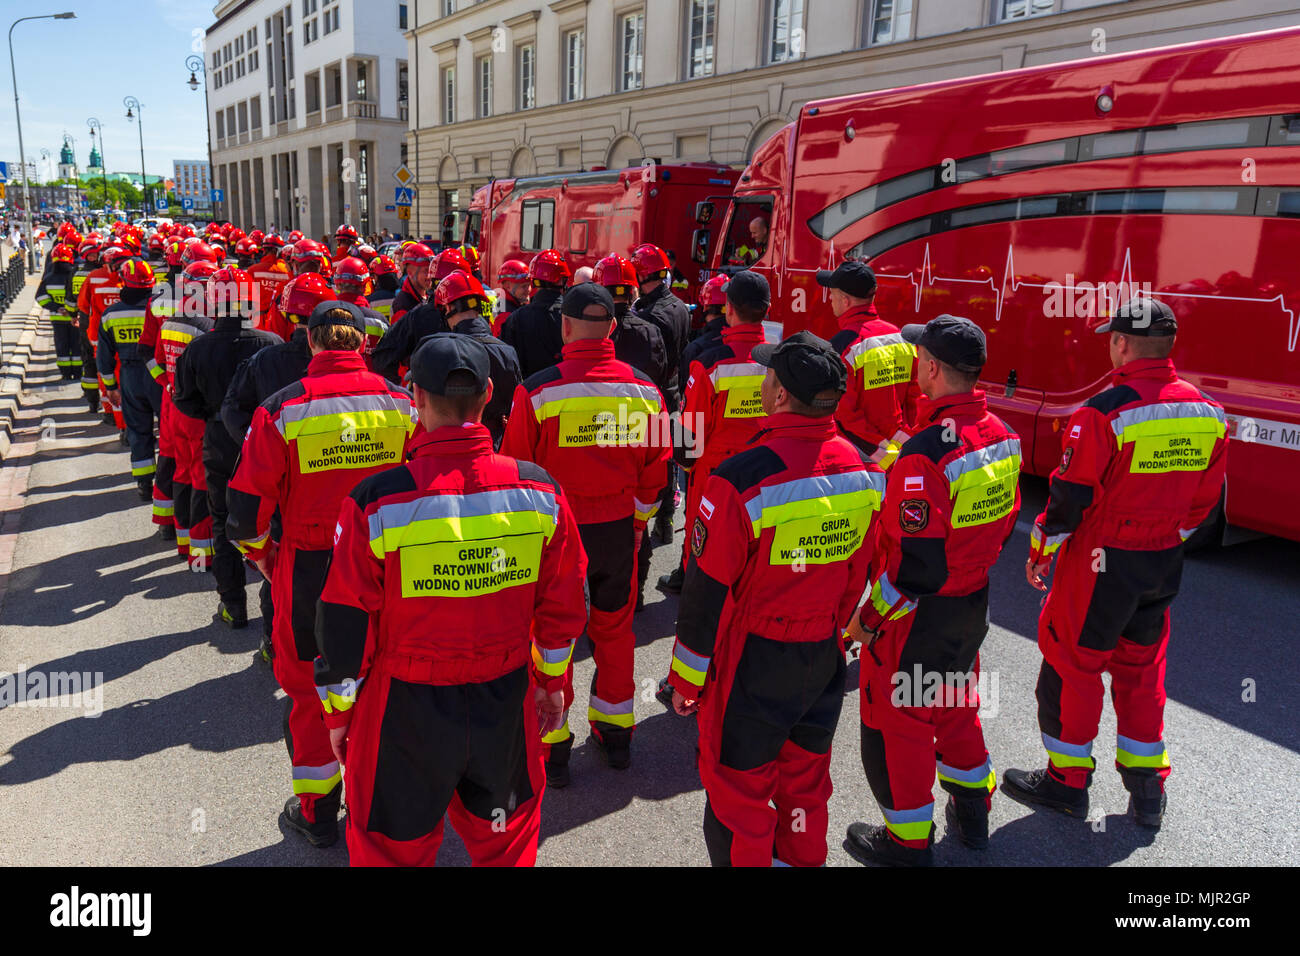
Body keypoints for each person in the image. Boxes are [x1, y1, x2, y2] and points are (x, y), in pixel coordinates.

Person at [314, 334, 588, 865]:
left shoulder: (377, 501)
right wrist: (551, 685)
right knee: (506, 846)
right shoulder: (540, 491)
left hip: (404, 709)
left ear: (414, 397)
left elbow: (344, 621)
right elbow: (563, 607)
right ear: (487, 395)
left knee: (390, 852)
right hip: (504, 699)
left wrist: (339, 715)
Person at [1005, 297, 1228, 831]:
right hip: (1162, 560)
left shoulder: (1104, 411)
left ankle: (1065, 783)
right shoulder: (1208, 412)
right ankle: (1147, 789)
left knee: (1073, 664)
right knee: (1142, 667)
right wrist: (1170, 536)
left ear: (1123, 344)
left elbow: (1070, 498)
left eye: (1112, 337)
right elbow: (1206, 500)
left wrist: (1041, 552)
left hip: (1103, 560)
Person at [670, 331, 884, 866]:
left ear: (781, 395)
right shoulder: (865, 471)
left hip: (753, 662)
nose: (763, 380)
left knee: (738, 796)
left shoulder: (740, 479)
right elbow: (864, 567)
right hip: (823, 655)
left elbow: (705, 593)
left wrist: (686, 680)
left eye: (769, 374)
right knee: (805, 790)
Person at [227, 301, 419, 848]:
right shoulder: (402, 403)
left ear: (310, 343)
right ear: (361, 344)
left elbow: (243, 513)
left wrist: (265, 560)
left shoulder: (282, 410)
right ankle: (380, 801)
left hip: (309, 566)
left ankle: (317, 814)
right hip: (387, 564)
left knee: (312, 693)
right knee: (380, 676)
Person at [843, 314, 1021, 867]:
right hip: (971, 601)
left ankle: (907, 843)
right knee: (952, 703)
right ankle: (973, 816)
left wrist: (866, 620)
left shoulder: (925, 454)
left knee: (901, 723)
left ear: (934, 368)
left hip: (919, 612)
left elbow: (915, 567)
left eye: (921, 358)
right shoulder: (1005, 437)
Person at [502, 283, 669, 783]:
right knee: (615, 629)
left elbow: (517, 473)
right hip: (618, 529)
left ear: (566, 326)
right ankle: (616, 732)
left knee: (552, 637)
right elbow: (657, 471)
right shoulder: (647, 391)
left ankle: (552, 744)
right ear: (613, 329)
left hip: (556, 535)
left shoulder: (536, 390)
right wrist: (638, 526)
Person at [222, 272, 336, 661]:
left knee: (283, 572)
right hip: (336, 488)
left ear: (287, 316)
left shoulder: (264, 360)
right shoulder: (350, 364)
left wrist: (261, 451)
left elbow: (233, 412)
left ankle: (275, 643)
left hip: (285, 488)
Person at [172, 267, 282, 628]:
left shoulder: (198, 348)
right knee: (273, 521)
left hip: (218, 443)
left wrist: (213, 415)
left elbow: (183, 399)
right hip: (264, 445)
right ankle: (276, 606)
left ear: (213, 302)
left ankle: (233, 605)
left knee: (222, 522)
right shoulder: (270, 344)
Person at [657, 270, 770, 596]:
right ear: (768, 308)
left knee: (701, 530)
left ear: (729, 310)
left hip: (714, 469)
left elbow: (690, 432)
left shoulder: (708, 365)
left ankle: (693, 586)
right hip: (763, 463)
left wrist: (686, 466)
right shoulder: (779, 358)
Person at [819, 261, 919, 466]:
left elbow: (844, 415)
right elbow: (916, 397)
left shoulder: (841, 347)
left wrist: (879, 448)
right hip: (900, 451)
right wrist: (900, 439)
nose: (830, 299)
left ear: (845, 301)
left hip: (860, 458)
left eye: (833, 293)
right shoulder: (900, 337)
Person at [152, 261, 218, 563]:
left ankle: (183, 545)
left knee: (181, 473)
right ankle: (200, 555)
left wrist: (168, 387)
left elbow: (156, 361)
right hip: (197, 413)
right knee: (202, 480)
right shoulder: (207, 325)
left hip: (175, 409)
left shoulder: (170, 321)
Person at [631, 243, 688, 546]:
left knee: (652, 460)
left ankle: (644, 519)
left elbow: (651, 361)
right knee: (672, 458)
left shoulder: (648, 315)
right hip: (677, 393)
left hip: (656, 396)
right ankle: (666, 520)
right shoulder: (679, 306)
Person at [96, 259, 165, 502]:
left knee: (137, 430)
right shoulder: (161, 308)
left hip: (130, 376)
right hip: (159, 373)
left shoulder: (110, 314)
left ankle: (145, 484)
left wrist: (110, 387)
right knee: (167, 430)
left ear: (124, 282)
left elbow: (103, 357)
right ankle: (170, 483)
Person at [431, 272, 520, 449]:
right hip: (496, 443)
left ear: (448, 308)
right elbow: (514, 404)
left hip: (454, 444)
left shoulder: (444, 351)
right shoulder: (507, 351)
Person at [500, 250, 570, 379]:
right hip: (568, 393)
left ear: (534, 280)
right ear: (563, 280)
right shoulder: (573, 316)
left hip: (529, 393)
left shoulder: (516, 319)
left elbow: (506, 364)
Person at [35, 242, 80, 380]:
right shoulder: (76, 276)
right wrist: (74, 310)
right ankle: (78, 372)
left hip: (58, 319)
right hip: (75, 318)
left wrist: (57, 308)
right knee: (77, 346)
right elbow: (83, 297)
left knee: (62, 347)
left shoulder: (49, 278)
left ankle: (66, 373)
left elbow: (40, 297)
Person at [391, 242, 435, 324]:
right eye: (426, 270)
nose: (430, 275)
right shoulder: (402, 306)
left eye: (431, 270)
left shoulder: (431, 296)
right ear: (410, 272)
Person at [493, 258, 530, 333]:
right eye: (523, 286)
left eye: (529, 285)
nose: (528, 290)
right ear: (508, 286)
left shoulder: (513, 304)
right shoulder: (504, 314)